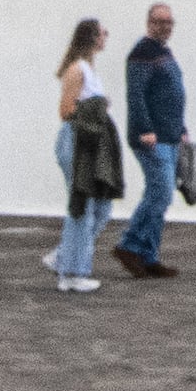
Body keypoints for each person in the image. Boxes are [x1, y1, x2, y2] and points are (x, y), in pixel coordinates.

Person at [50, 18, 126, 296]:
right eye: (103, 32)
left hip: (92, 143)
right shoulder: (77, 69)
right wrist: (96, 107)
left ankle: (63, 258)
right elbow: (66, 110)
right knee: (83, 203)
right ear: (93, 37)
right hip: (78, 141)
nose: (107, 36)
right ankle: (72, 273)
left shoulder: (89, 69)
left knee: (101, 207)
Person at [115, 3, 187, 281]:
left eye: (169, 22)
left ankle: (149, 257)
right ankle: (129, 245)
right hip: (151, 138)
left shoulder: (163, 52)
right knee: (160, 193)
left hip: (169, 136)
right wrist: (145, 128)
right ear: (148, 22)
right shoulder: (142, 53)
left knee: (161, 195)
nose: (165, 27)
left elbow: (171, 95)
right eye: (160, 22)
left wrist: (181, 128)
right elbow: (136, 95)